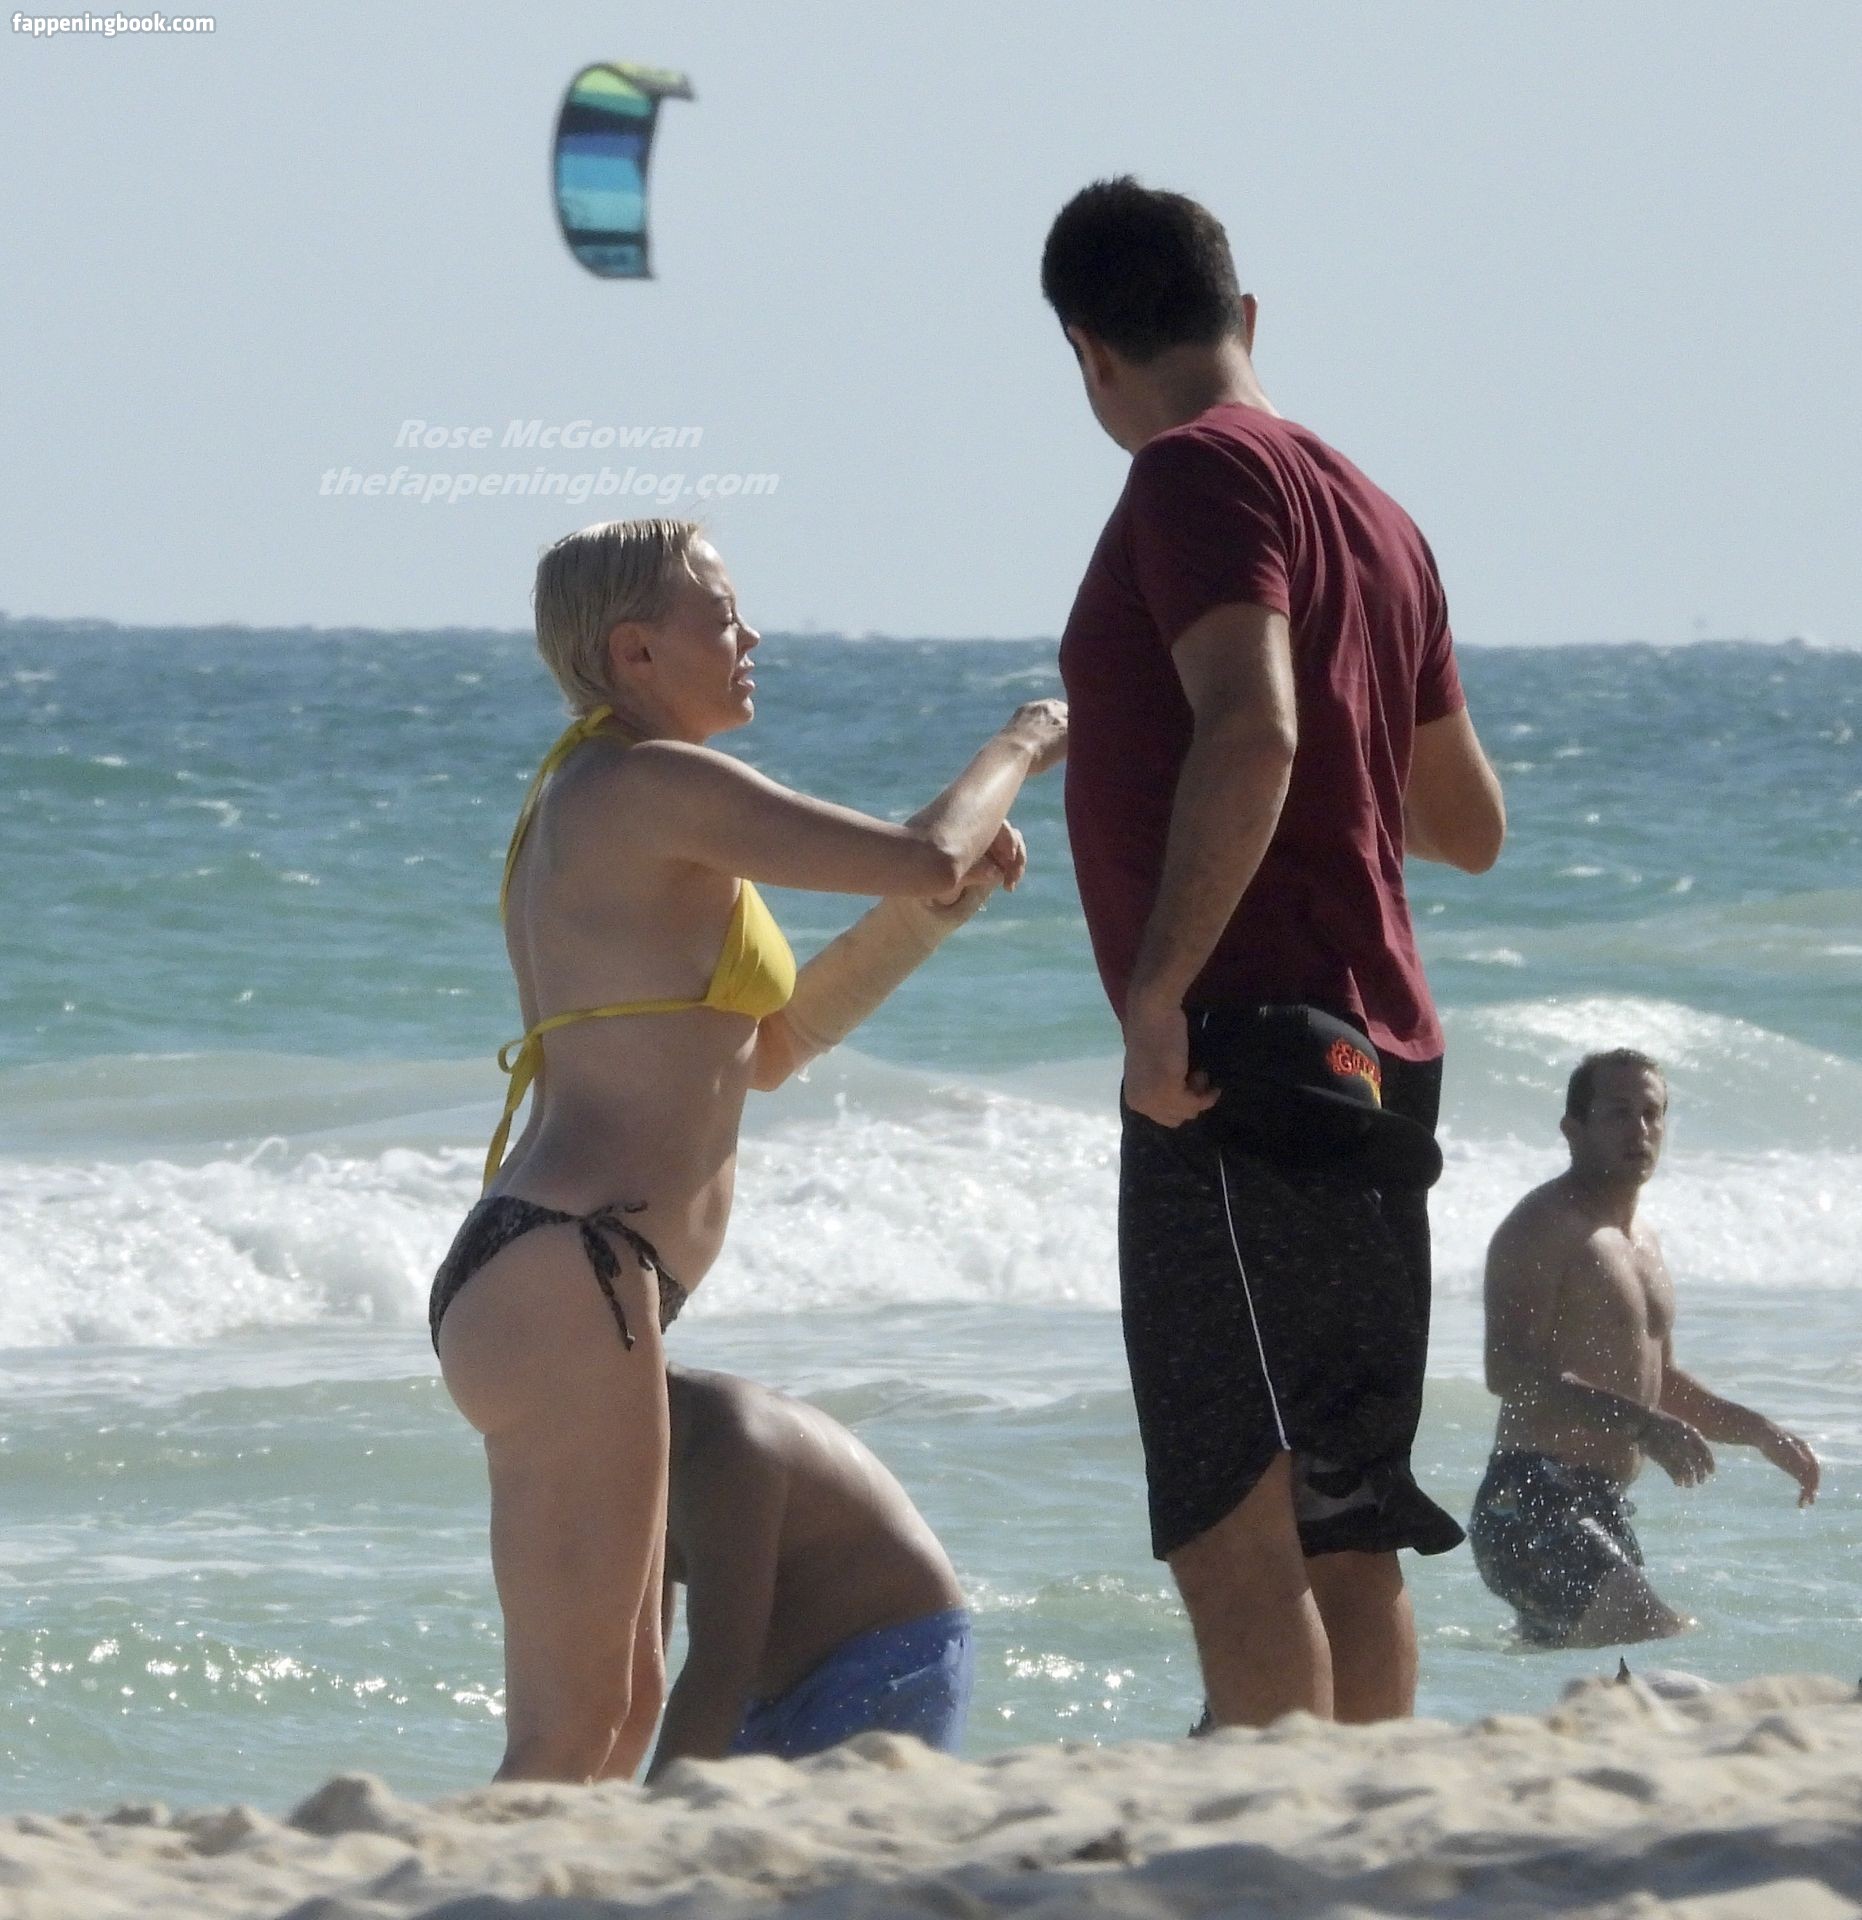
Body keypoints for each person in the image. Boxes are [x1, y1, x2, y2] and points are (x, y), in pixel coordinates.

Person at [428, 517, 1065, 1782]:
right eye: (721, 615)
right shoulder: (646, 784)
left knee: (618, 1709)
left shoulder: (624, 798)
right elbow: (927, 849)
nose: (750, 633)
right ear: (636, 651)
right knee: (570, 1726)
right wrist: (1026, 739)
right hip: (566, 1267)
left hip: (569, 1274)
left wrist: (932, 920)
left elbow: (765, 1050)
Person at [1043, 177, 1506, 1729]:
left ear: (1087, 351)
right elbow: (1467, 823)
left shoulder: (1190, 472)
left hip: (1238, 1056)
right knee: (1343, 1531)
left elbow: (1252, 728)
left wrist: (1157, 993)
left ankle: (1273, 1837)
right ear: (1243, 315)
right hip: (1376, 1056)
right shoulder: (1379, 517)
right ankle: (1364, 1839)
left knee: (1231, 1530)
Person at [1472, 1049, 1819, 1647]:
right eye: (1618, 1113)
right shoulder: (1543, 1227)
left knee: (1609, 1678)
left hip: (1601, 1506)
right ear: (1572, 1129)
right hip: (1530, 1497)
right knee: (1657, 1636)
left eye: (1651, 1113)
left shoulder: (1644, 1243)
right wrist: (1642, 1425)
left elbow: (1663, 1383)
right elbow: (1508, 1372)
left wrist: (1760, 1431)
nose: (1639, 1129)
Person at [646, 1365, 972, 1777]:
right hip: (765, 1690)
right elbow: (635, 1663)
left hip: (888, 1652)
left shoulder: (726, 1445)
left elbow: (721, 1666)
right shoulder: (606, 1452)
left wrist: (655, 1797)